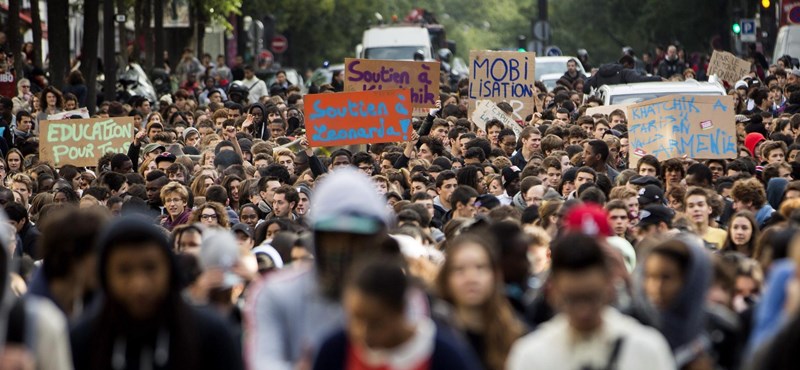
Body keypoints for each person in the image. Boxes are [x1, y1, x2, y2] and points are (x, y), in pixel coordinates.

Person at [246, 169, 404, 369]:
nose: (346, 247)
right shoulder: (276, 293)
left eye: (358, 239)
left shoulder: (401, 297)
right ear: (317, 239)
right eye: (335, 237)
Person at [70, 216, 244, 370]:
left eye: (150, 268)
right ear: (105, 275)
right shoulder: (83, 340)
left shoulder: (210, 334)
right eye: (124, 270)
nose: (139, 285)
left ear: (169, 270)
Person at [507, 232, 674, 370]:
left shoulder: (645, 349)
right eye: (571, 299)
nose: (583, 311)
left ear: (609, 287)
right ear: (553, 292)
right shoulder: (531, 356)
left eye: (592, 297)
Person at [313, 258, 481, 370]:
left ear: (401, 310)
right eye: (355, 318)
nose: (363, 332)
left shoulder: (445, 356)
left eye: (376, 323)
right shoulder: (335, 350)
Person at [435, 232, 525, 370]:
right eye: (459, 269)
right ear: (446, 279)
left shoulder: (518, 334)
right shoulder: (434, 337)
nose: (471, 278)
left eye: (480, 267)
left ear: (494, 275)